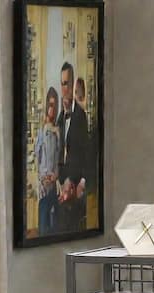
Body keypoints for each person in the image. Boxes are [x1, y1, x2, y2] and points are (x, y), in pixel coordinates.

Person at [57, 61, 89, 232]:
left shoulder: (80, 116)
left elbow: (85, 152)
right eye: (63, 84)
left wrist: (80, 180)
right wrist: (60, 182)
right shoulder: (60, 119)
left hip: (76, 187)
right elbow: (59, 153)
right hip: (62, 185)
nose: (66, 89)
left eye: (68, 84)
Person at [34, 87, 60, 235]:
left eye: (54, 106)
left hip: (55, 187)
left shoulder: (57, 132)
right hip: (44, 187)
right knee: (43, 229)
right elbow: (38, 157)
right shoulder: (41, 132)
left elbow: (59, 158)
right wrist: (42, 178)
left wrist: (55, 175)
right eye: (50, 105)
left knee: (55, 228)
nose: (52, 109)